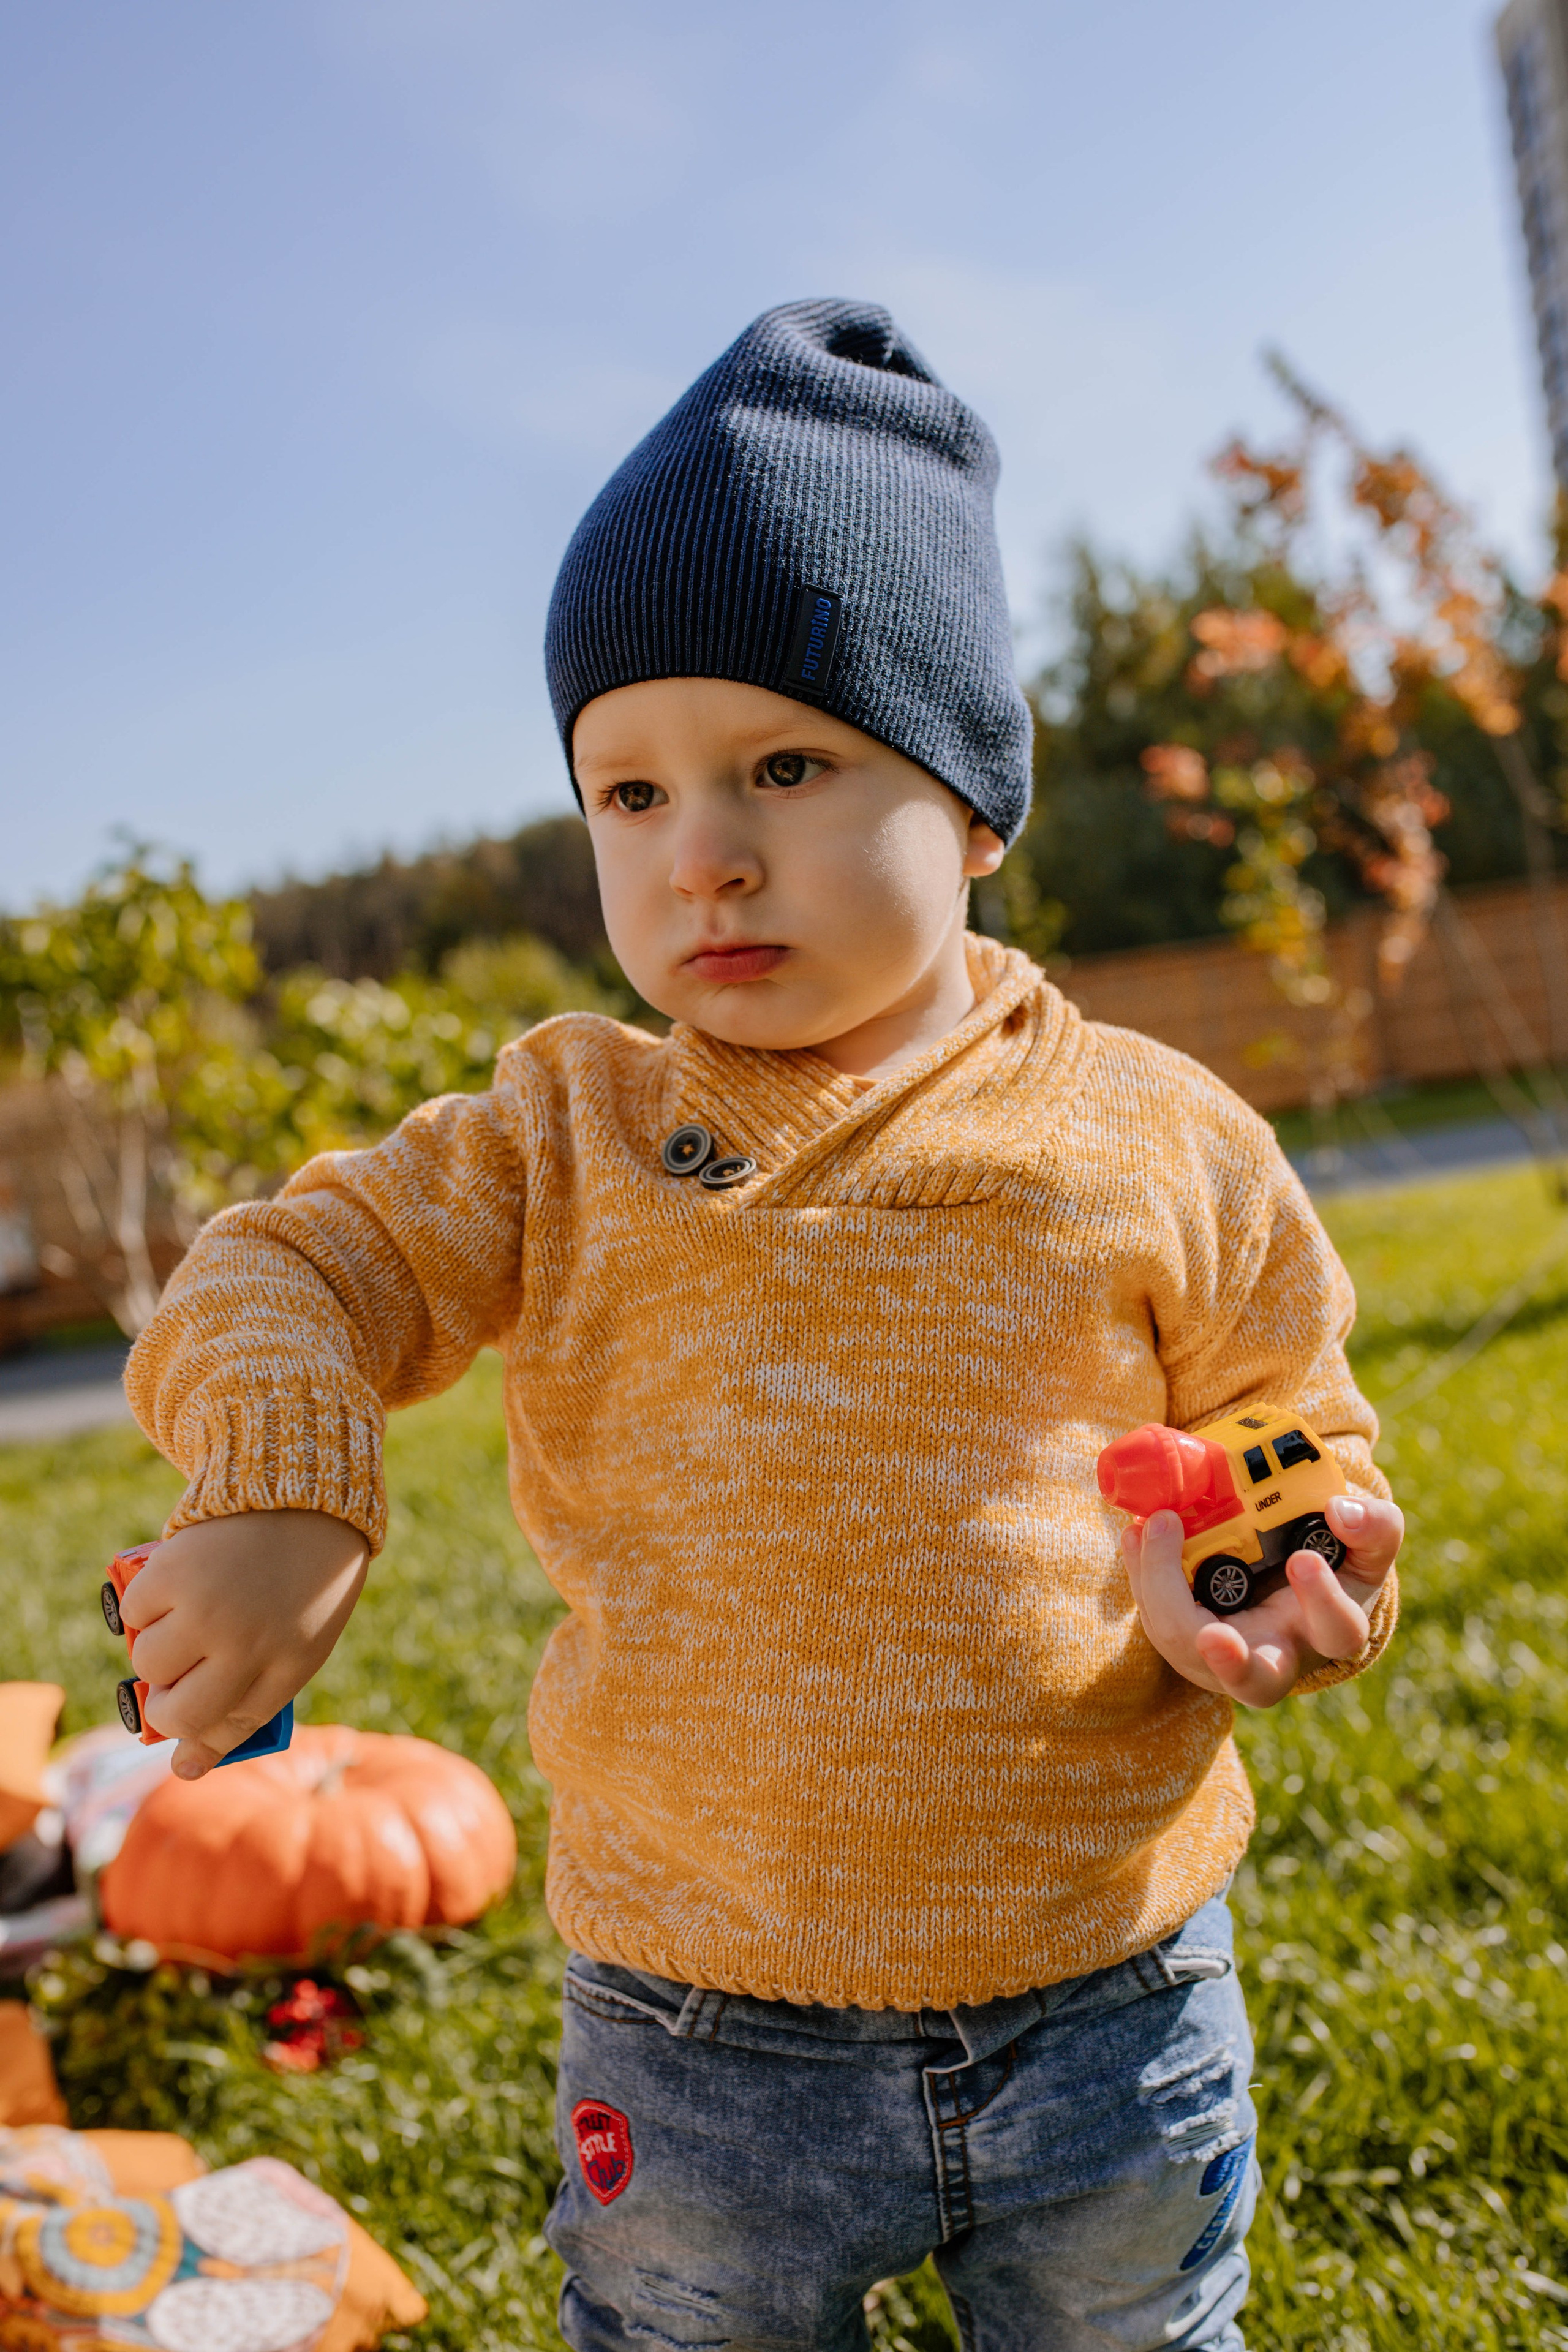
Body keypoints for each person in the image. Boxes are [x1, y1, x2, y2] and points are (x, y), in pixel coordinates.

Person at [122, 300, 1403, 2351]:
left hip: (1109, 1986)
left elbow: (1294, 1416)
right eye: (626, 794)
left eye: (786, 766)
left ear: (974, 801)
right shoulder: (566, 1129)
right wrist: (289, 1483)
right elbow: (289, 1265)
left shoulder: (1160, 1133)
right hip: (702, 2028)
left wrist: (1307, 1550)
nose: (701, 852)